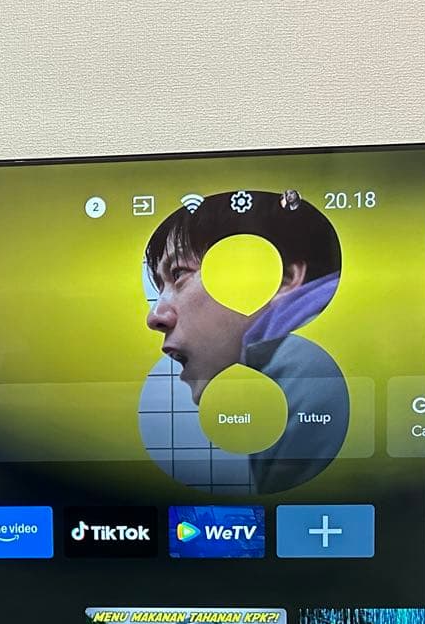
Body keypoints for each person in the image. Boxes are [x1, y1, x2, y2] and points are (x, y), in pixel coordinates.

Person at [143, 190, 349, 492]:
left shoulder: (304, 371)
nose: (155, 317)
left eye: (179, 274)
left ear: (283, 279)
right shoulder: (297, 370)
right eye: (160, 286)